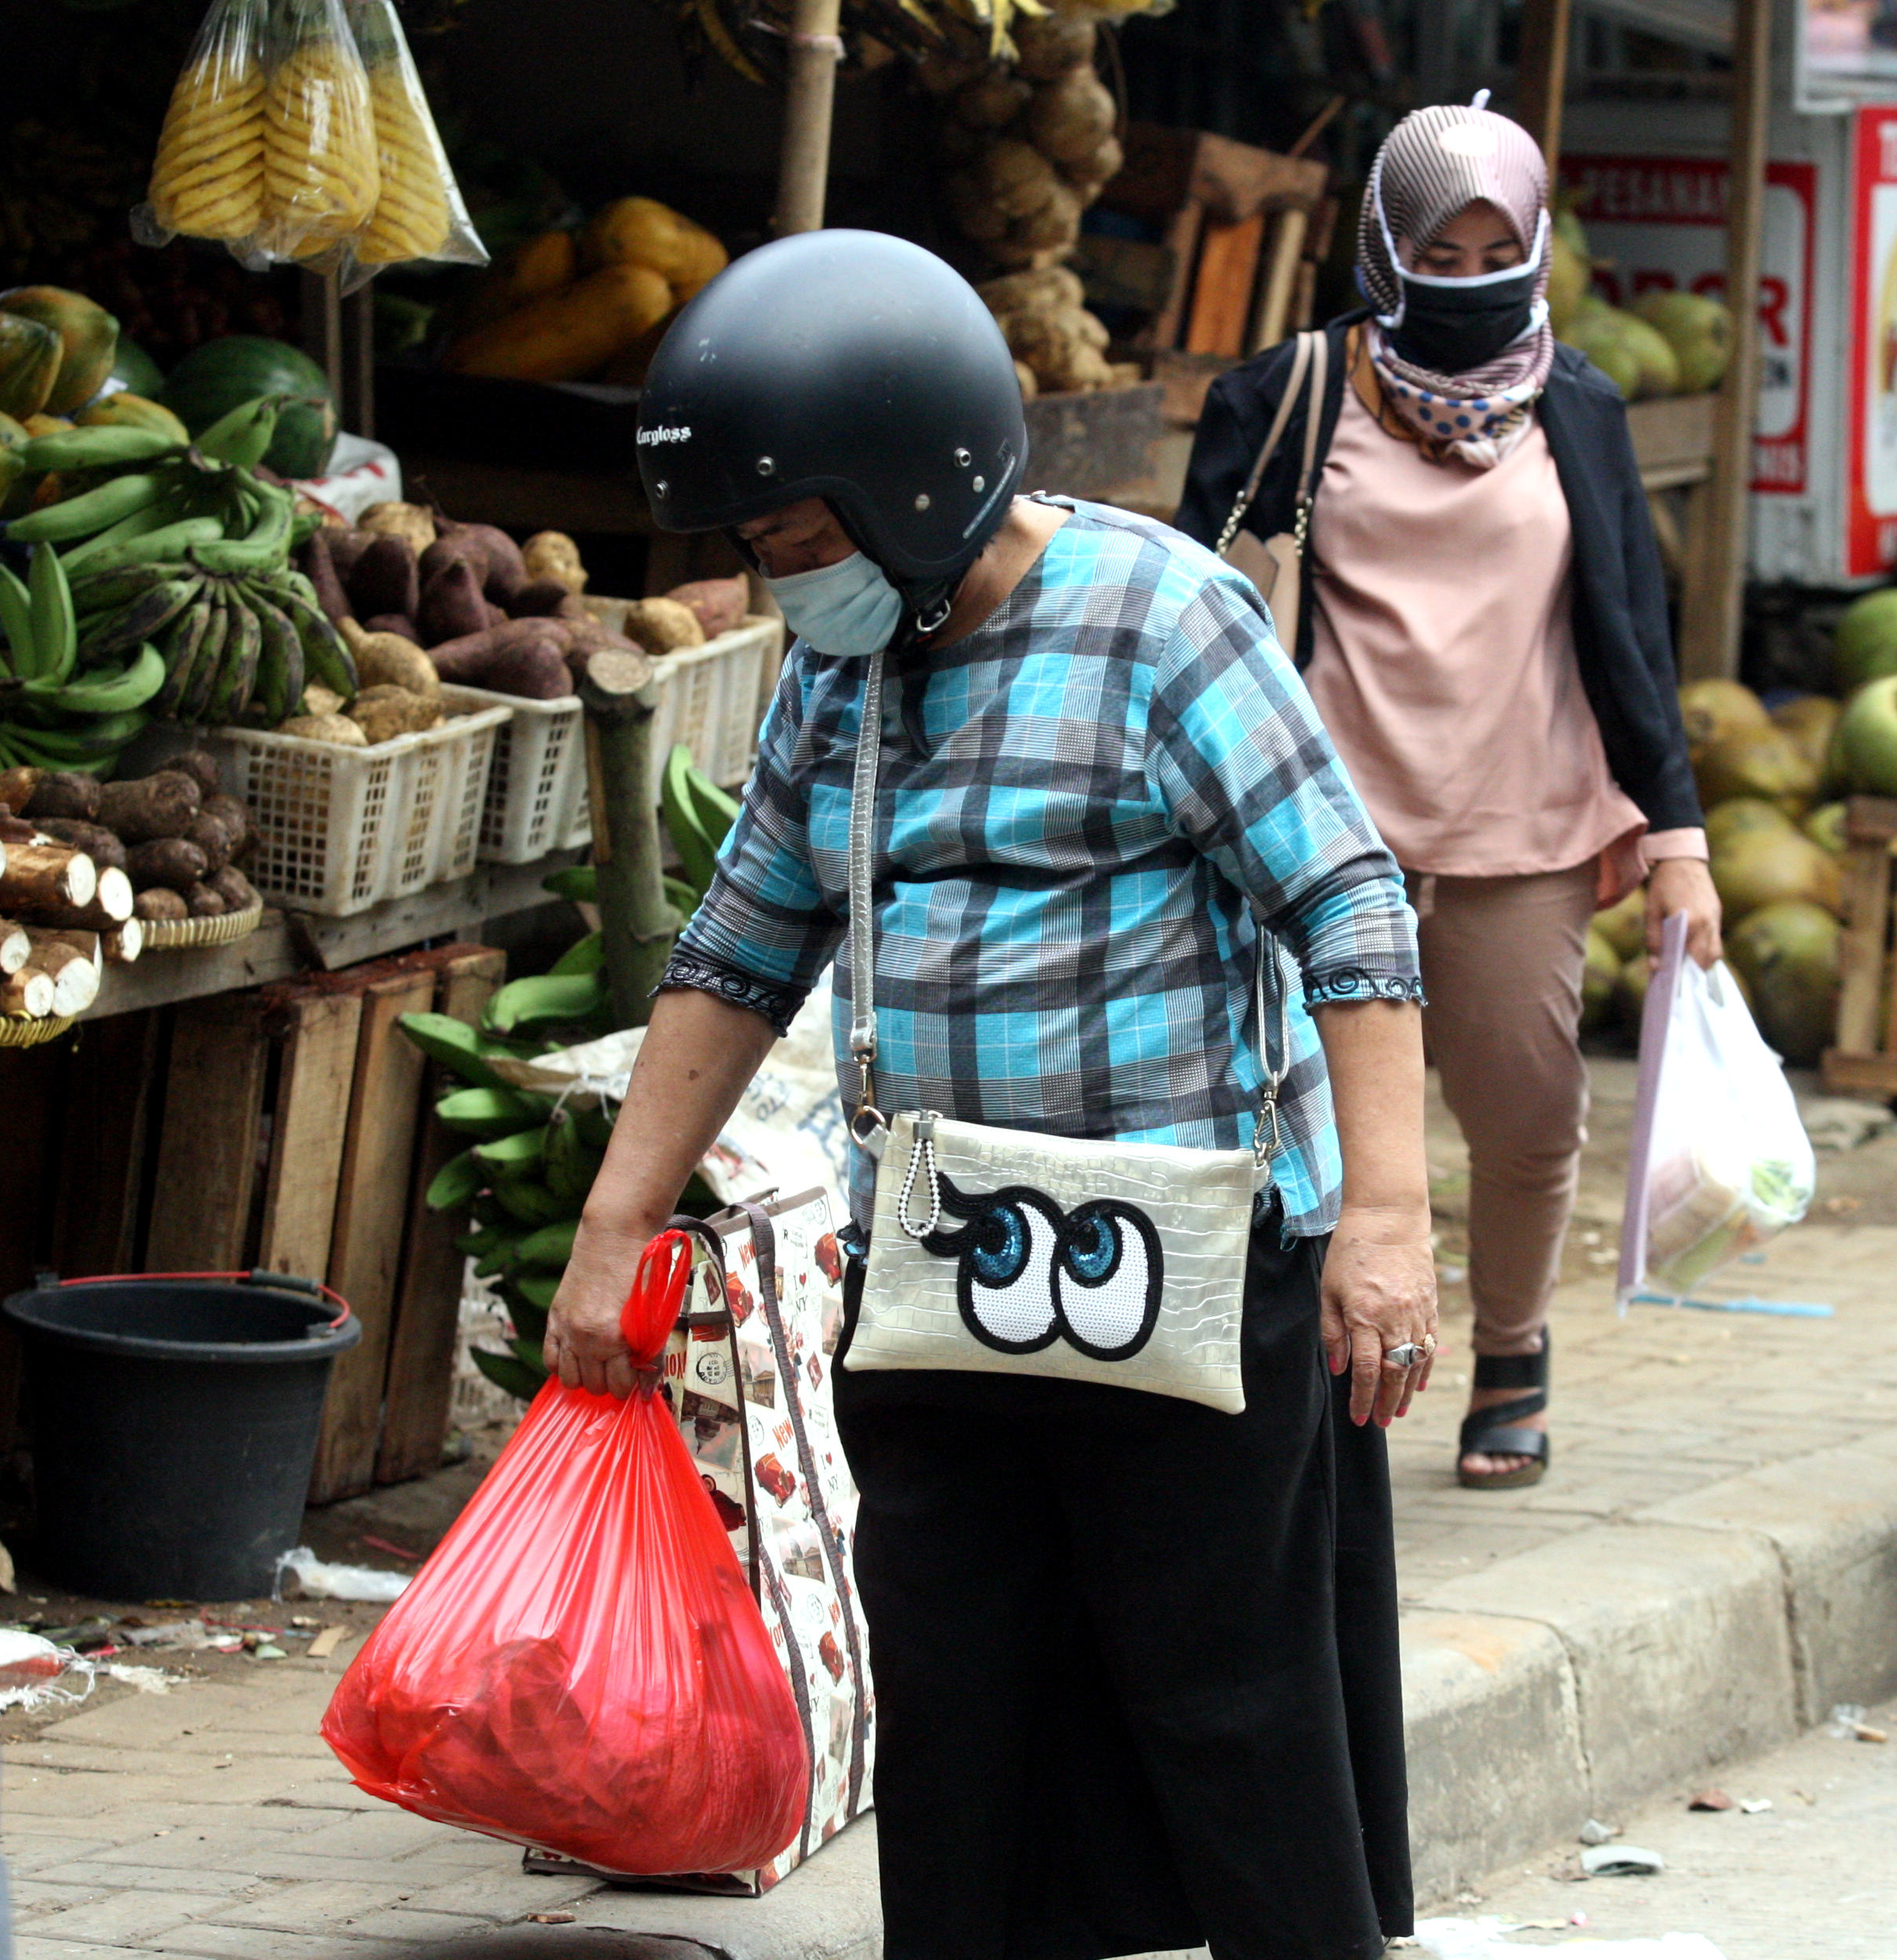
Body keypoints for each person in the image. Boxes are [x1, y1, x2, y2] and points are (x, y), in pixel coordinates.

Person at [543, 229, 1431, 1959]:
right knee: (957, 1693)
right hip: (944, 1258)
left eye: (797, 540)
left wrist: (1385, 1221)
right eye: (757, 549)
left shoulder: (1162, 618)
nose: (779, 580)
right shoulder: (843, 664)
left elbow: (1350, 904)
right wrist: (614, 1225)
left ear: (914, 479)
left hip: (1185, 1260)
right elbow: (742, 945)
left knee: (1225, 1695)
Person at [1177, 102, 1723, 1491]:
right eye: (1438, 252)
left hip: (1518, 826)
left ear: (1537, 246)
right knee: (1306, 1119)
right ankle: (1327, 1364)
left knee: (1526, 1111)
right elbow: (1188, 609)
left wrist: (1678, 838)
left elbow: (1631, 631)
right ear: (1383, 248)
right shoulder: (1285, 397)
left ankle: (1513, 1344)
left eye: (1497, 251)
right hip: (1318, 839)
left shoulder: (1579, 408)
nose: (1470, 279)